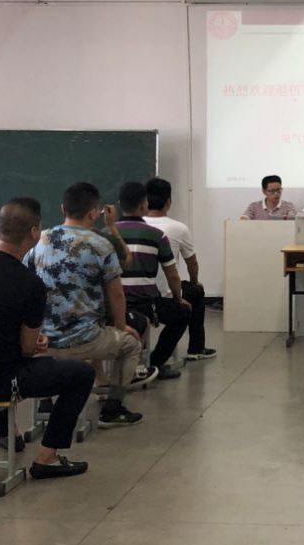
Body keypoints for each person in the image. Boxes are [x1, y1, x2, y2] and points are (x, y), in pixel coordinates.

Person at [0, 197, 94, 479]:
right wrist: (37, 344)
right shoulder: (30, 284)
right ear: (34, 232)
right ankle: (47, 457)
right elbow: (26, 349)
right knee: (82, 374)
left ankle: (7, 434)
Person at [26, 182, 150, 428]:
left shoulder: (40, 240)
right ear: (94, 212)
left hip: (43, 342)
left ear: (63, 208)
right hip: (85, 341)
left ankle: (45, 402)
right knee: (131, 345)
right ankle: (112, 409)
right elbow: (116, 294)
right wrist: (122, 326)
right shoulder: (100, 244)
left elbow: (26, 282)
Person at [116, 181, 191, 379]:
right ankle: (156, 363)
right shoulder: (157, 235)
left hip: (112, 306)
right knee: (183, 313)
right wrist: (178, 298)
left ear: (120, 204)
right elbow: (172, 274)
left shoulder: (107, 234)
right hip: (144, 304)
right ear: (144, 205)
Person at [144, 176, 216, 360]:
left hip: (137, 296)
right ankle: (195, 349)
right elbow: (192, 263)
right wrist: (195, 281)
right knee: (196, 292)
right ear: (168, 202)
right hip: (165, 298)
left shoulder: (133, 226)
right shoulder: (178, 228)